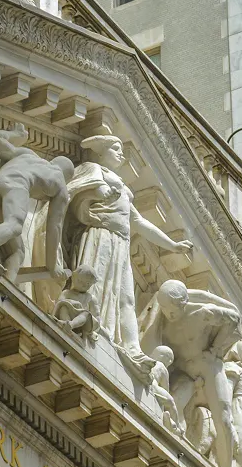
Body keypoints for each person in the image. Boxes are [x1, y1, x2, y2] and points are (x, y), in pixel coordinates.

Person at [63, 134, 192, 368]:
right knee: (96, 284)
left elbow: (140, 223)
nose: (121, 153)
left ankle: (132, 347)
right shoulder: (94, 170)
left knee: (127, 297)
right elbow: (74, 194)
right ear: (100, 152)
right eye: (115, 148)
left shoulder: (123, 187)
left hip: (120, 244)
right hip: (100, 236)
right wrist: (98, 192)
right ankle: (91, 325)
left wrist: (172, 246)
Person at [139, 280, 241, 467]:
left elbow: (234, 319)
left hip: (207, 367)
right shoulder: (161, 318)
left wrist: (215, 348)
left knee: (224, 419)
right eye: (166, 310)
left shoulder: (202, 312)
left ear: (183, 303)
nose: (170, 315)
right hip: (181, 370)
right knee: (175, 402)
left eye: (174, 310)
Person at [0, 125, 73, 282]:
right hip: (16, 186)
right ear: (66, 177)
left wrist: (14, 134)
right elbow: (54, 227)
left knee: (19, 251)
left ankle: (7, 283)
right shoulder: (60, 185)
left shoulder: (28, 154)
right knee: (14, 226)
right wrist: (52, 266)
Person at [52, 264, 99, 340]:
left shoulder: (91, 298)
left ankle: (70, 325)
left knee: (86, 314)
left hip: (82, 324)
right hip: (68, 318)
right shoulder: (67, 293)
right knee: (64, 307)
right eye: (80, 281)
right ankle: (66, 324)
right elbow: (59, 303)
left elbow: (97, 319)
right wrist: (72, 303)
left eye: (87, 284)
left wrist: (82, 311)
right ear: (74, 277)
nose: (83, 285)